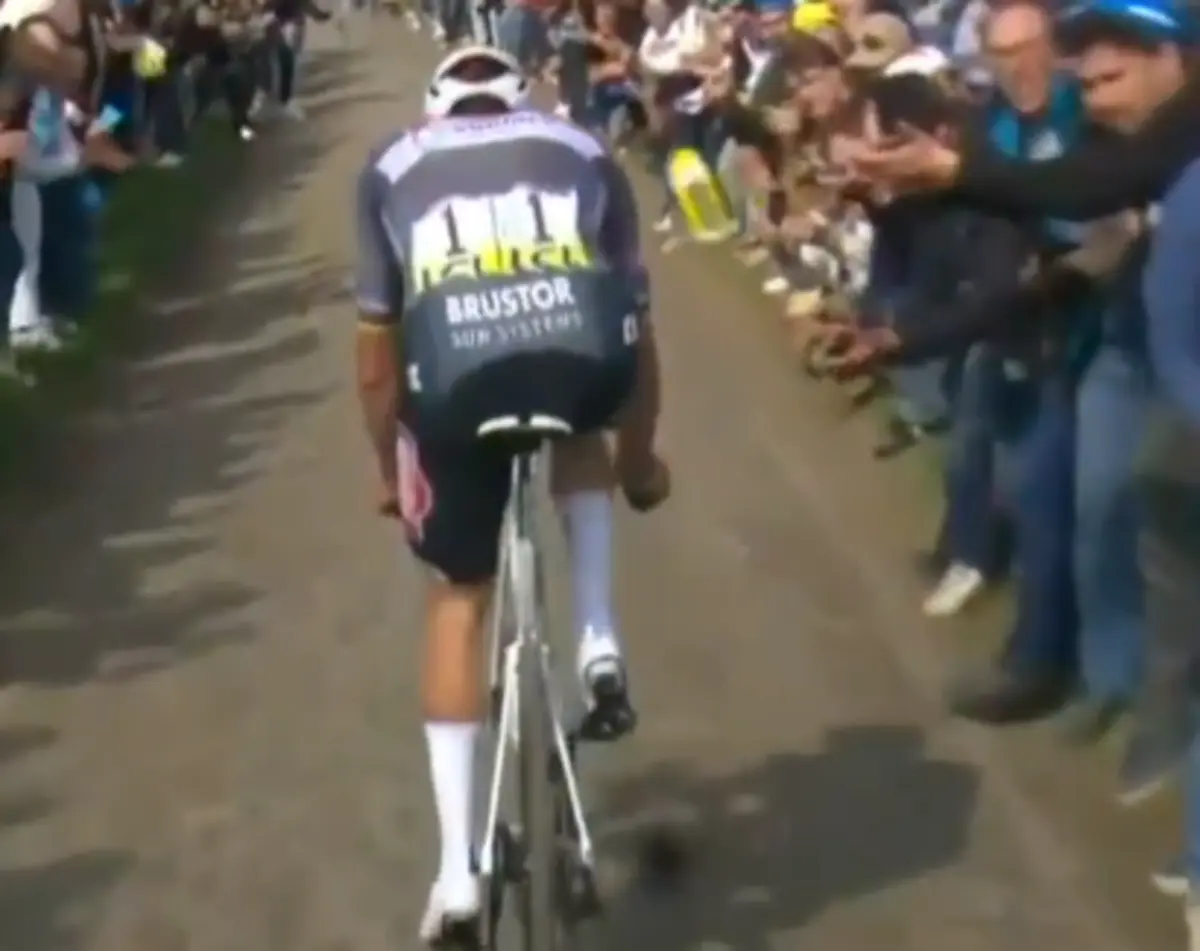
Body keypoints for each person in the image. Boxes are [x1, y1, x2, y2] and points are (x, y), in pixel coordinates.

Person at [352, 45, 669, 944]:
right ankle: (598, 631)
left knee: (458, 598)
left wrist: (390, 469)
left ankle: (457, 873)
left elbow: (377, 359)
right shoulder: (581, 146)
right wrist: (642, 461)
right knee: (579, 414)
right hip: (580, 365)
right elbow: (636, 332)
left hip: (456, 388)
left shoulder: (388, 161)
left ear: (437, 106)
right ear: (518, 98)